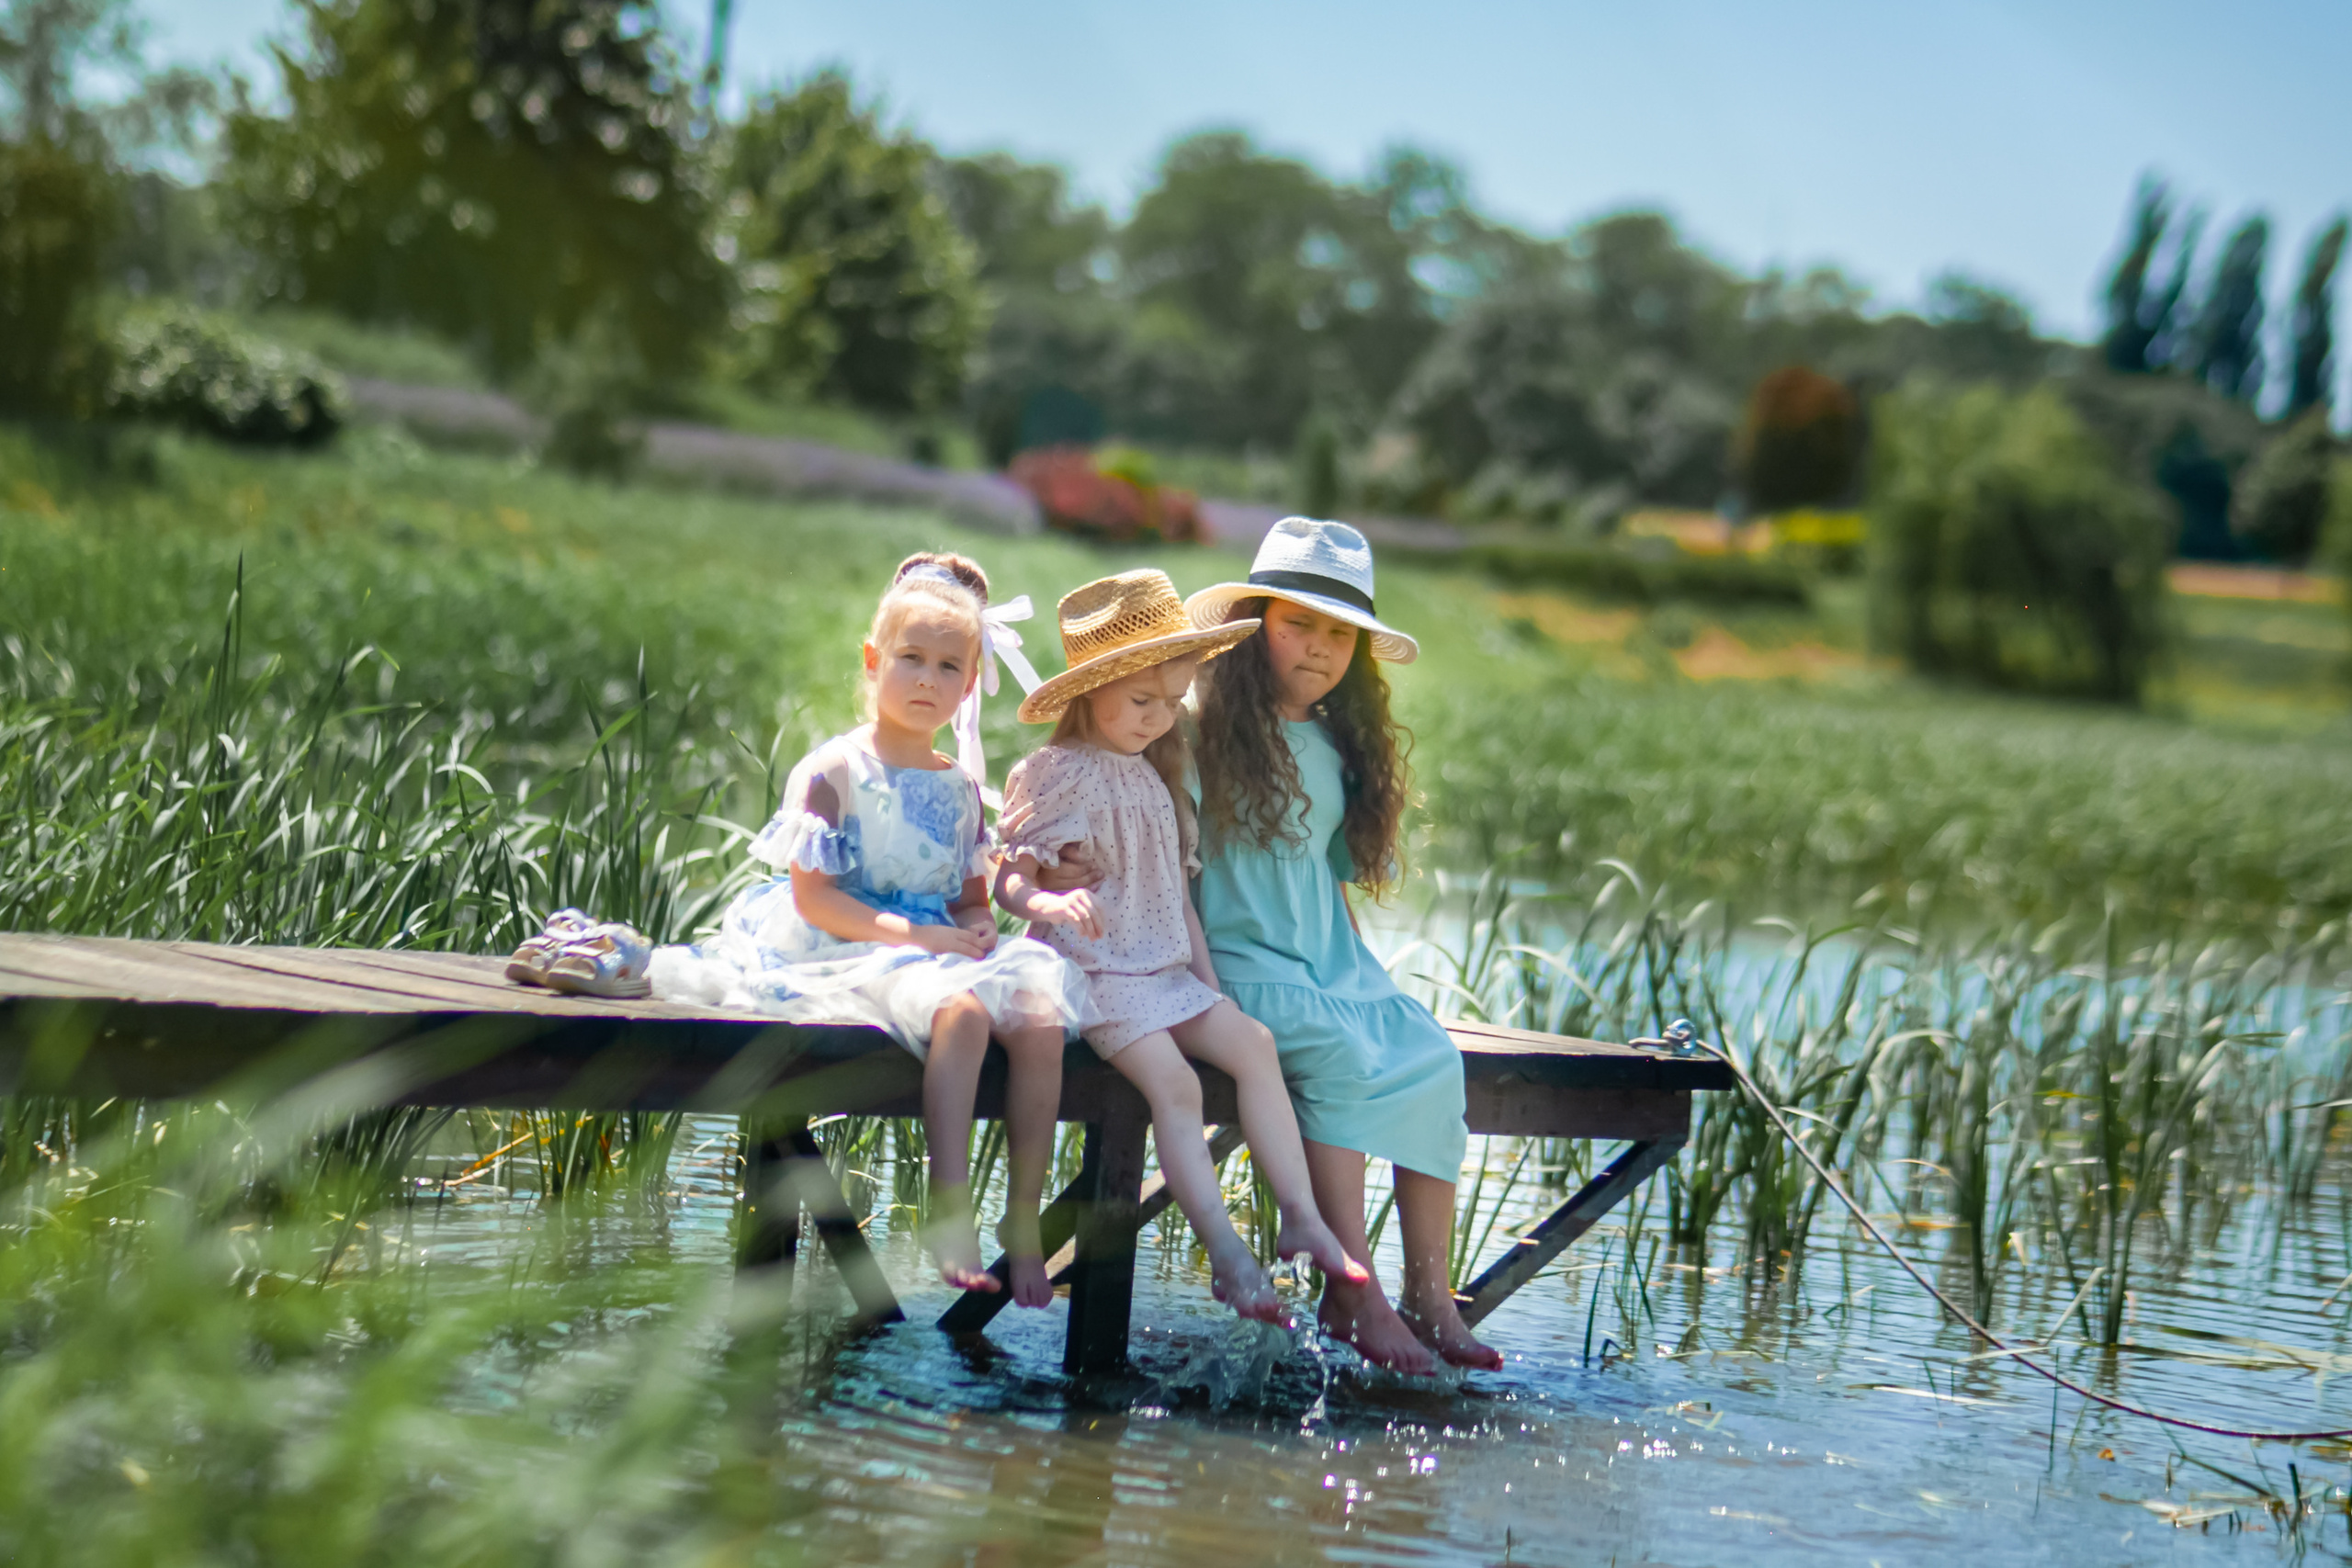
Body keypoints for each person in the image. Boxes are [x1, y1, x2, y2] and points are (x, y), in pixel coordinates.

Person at [645, 552, 1094, 1304]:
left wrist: (979, 928)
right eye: (911, 658)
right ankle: (950, 1210)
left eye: (950, 666)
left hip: (937, 945)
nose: (927, 679)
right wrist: (920, 939)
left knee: (1041, 1014)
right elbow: (817, 899)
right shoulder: (835, 772)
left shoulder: (960, 789)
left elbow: (969, 897)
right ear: (872, 659)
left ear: (972, 677)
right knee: (960, 1011)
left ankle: (1022, 1224)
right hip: (853, 937)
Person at [993, 570, 1370, 1325]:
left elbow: (1178, 903)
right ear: (1091, 692)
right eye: (1142, 703)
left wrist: (1209, 989)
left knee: (1253, 1042)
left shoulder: (1159, 775)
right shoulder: (1055, 771)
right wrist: (1047, 898)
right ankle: (1228, 1255)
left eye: (1171, 704)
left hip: (1163, 970)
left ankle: (1300, 1212)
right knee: (1177, 1085)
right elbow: (1008, 878)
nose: (1160, 719)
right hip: (1094, 971)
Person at [1184, 517, 1501, 1372]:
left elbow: (1322, 879)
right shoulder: (1197, 728)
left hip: (1326, 961)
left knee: (1429, 1053)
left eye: (1339, 634)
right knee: (1336, 1052)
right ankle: (1351, 1289)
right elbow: (1171, 864)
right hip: (1237, 960)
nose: (1319, 648)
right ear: (1255, 627)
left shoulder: (1330, 745)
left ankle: (1431, 1297)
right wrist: (1196, 983)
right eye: (1299, 625)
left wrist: (1363, 977)